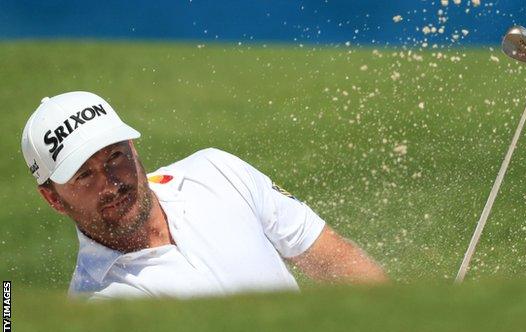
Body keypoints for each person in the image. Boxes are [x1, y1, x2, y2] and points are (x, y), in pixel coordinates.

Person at [21, 91, 387, 300]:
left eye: (115, 156)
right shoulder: (99, 307)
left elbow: (334, 259)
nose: (111, 183)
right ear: (53, 199)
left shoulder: (218, 171)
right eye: (85, 175)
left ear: (132, 146)